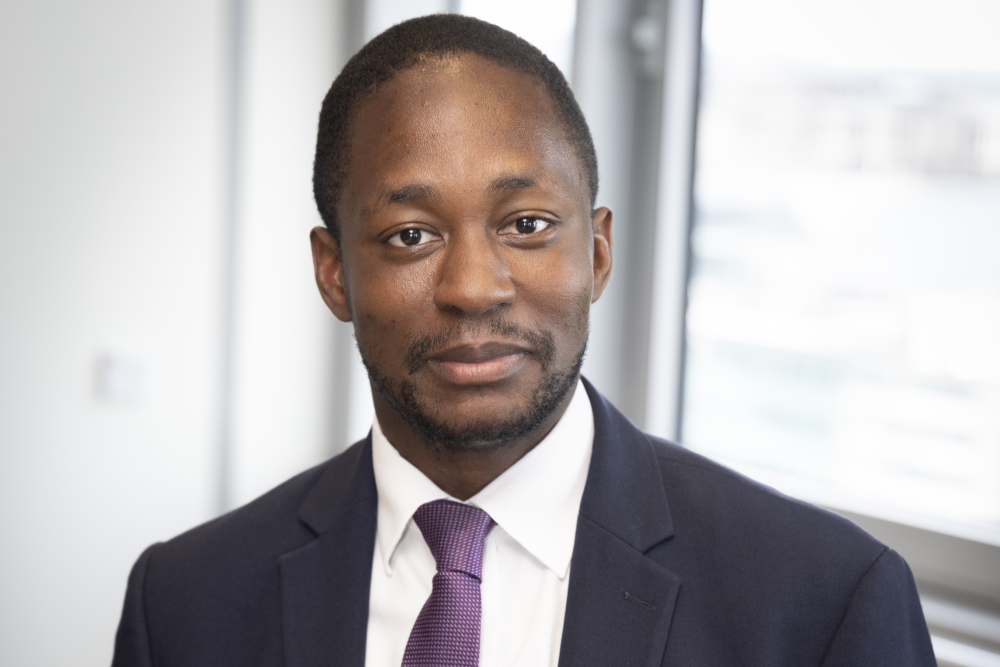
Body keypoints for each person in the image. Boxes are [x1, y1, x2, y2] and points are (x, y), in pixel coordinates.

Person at [112, 14, 936, 667]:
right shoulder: (185, 601)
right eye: (409, 236)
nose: (473, 287)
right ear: (333, 274)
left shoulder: (822, 602)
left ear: (599, 252)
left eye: (527, 224)